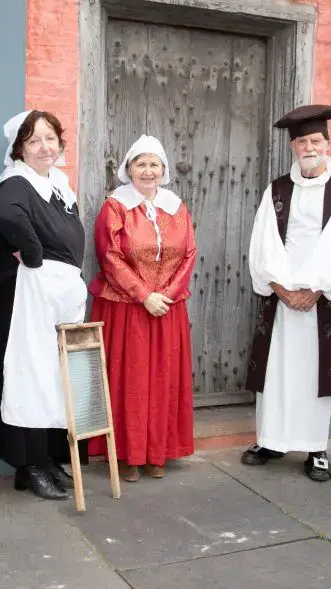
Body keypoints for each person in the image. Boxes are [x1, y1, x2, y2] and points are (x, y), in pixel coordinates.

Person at [242, 105, 331, 481]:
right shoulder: (277, 190)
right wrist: (282, 289)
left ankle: (316, 449)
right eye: (302, 142)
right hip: (282, 299)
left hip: (324, 300)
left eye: (316, 140)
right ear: (293, 147)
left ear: (328, 144)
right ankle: (270, 440)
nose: (309, 148)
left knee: (316, 375)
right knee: (276, 373)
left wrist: (314, 288)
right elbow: (263, 243)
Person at [0, 110, 87, 500]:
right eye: (34, 140)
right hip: (27, 296)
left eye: (50, 139)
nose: (44, 147)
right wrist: (33, 254)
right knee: (29, 376)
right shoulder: (16, 182)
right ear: (20, 149)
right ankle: (27, 464)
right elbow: (6, 215)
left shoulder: (57, 183)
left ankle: (46, 457)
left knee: (52, 376)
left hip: (54, 298)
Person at [86, 135, 197, 481]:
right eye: (141, 164)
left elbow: (189, 253)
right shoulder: (116, 207)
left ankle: (156, 451)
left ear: (163, 170)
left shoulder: (176, 207)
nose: (148, 171)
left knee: (163, 378)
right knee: (129, 379)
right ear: (129, 169)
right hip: (127, 307)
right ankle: (128, 454)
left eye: (154, 164)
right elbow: (109, 256)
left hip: (167, 308)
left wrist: (167, 294)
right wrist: (143, 295)